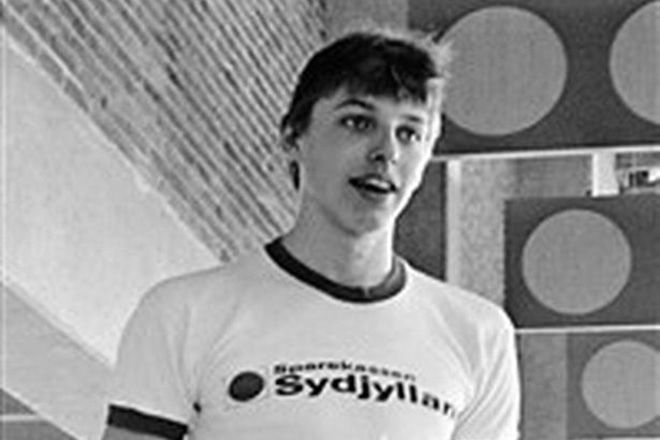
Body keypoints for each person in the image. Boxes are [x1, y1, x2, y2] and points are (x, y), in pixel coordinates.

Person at [101, 25, 520, 440]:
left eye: (409, 133)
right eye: (358, 122)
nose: (387, 152)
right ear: (293, 137)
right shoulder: (185, 312)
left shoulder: (478, 335)